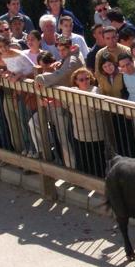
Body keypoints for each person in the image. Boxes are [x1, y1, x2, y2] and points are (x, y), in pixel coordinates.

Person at [33, 36, 84, 168]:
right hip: (60, 104)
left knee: (66, 140)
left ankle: (72, 169)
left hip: (69, 105)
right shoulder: (67, 58)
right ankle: (52, 158)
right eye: (59, 50)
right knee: (37, 122)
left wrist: (41, 78)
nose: (61, 52)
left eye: (64, 49)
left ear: (70, 47)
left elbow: (63, 73)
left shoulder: (73, 59)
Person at [65, 68, 106, 177]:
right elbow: (65, 105)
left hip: (96, 134)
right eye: (81, 80)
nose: (84, 81)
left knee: (98, 162)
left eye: (87, 78)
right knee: (83, 160)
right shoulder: (71, 92)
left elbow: (97, 109)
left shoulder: (96, 91)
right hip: (79, 134)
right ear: (76, 81)